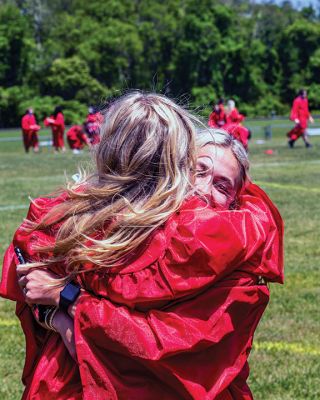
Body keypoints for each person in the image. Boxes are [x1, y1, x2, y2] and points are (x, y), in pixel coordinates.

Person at [0, 93, 283, 399]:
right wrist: (55, 311)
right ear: (173, 168)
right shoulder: (111, 229)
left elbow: (156, 351)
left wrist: (64, 300)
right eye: (198, 171)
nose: (202, 189)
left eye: (222, 185)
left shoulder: (234, 252)